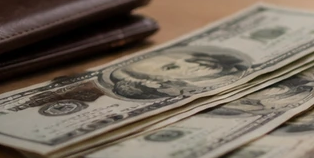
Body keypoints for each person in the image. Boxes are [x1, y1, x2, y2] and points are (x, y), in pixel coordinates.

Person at [99, 47, 252, 101]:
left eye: (190, 59)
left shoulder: (240, 66)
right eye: (170, 67)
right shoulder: (196, 90)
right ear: (159, 81)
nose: (194, 64)